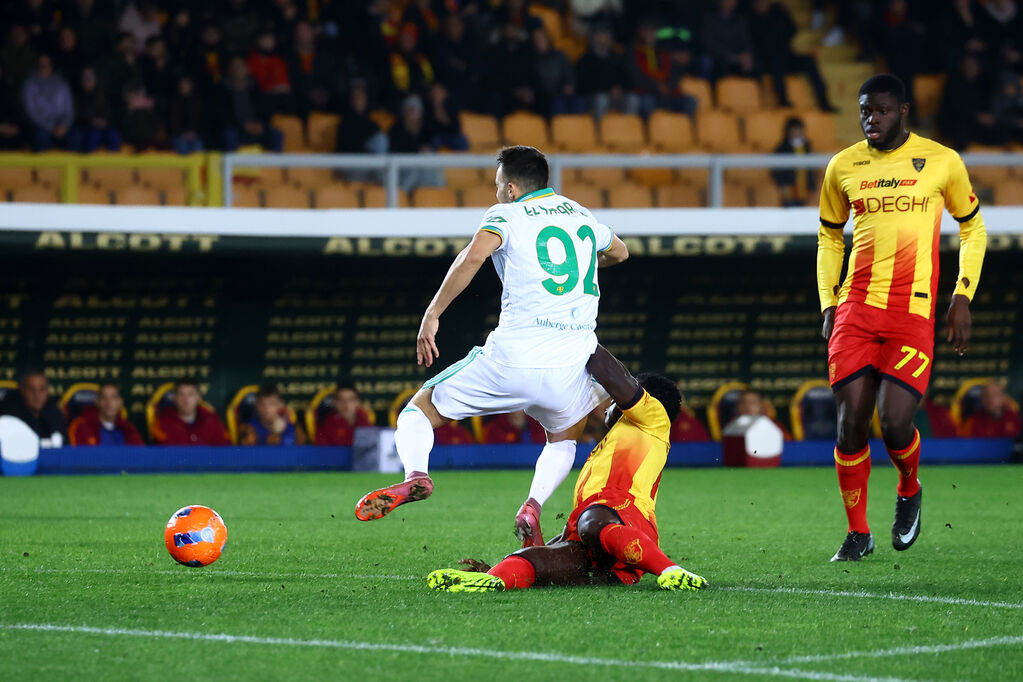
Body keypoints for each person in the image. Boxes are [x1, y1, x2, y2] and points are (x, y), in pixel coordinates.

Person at [355, 146, 629, 548]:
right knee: (564, 437)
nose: (496, 192)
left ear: (513, 189)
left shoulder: (505, 214)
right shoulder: (580, 214)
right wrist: (588, 266)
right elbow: (619, 252)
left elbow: (471, 258)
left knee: (418, 411)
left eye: (498, 185)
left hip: (513, 357)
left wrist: (432, 314)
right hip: (570, 363)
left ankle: (416, 476)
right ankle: (533, 505)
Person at [817, 74, 987, 562]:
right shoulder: (842, 166)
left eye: (882, 111)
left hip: (913, 311)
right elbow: (829, 237)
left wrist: (962, 296)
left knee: (893, 423)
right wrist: (829, 302)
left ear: (904, 111)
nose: (872, 119)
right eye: (865, 110)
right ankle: (857, 532)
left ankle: (909, 488)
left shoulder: (942, 162)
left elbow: (972, 229)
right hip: (856, 307)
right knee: (851, 421)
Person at [427, 344, 708, 593]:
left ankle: (670, 570)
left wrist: (576, 340)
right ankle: (490, 581)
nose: (608, 406)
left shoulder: (655, 418)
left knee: (592, 519)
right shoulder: (613, 442)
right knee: (536, 559)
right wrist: (525, 556)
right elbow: (575, 531)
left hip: (626, 518)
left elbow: (611, 373)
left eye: (613, 402)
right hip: (598, 537)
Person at [154, 379, 230, 446]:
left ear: (199, 397)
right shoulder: (164, 421)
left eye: (190, 394)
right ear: (174, 398)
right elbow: (163, 451)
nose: (186, 400)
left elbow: (225, 449)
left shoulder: (212, 420)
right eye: (181, 394)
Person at [21, 53, 73, 151]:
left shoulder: (61, 84)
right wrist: (51, 127)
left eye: (46, 65)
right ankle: (38, 166)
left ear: (51, 66)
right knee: (41, 137)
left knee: (75, 138)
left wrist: (64, 125)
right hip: (40, 126)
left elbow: (69, 109)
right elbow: (31, 111)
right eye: (41, 65)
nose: (43, 68)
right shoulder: (29, 84)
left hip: (61, 125)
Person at [68, 383, 143, 446]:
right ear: (97, 402)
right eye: (104, 397)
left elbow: (140, 456)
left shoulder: (129, 430)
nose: (109, 402)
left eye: (113, 397)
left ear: (120, 402)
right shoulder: (81, 427)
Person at [0, 371, 66, 441]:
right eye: (31, 389)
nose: (37, 395)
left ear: (48, 391)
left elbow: (65, 446)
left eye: (42, 389)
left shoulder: (54, 414)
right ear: (22, 391)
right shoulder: (8, 416)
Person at [239, 385, 306, 446]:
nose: (267, 408)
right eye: (262, 404)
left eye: (272, 403)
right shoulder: (248, 429)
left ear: (281, 404)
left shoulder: (296, 430)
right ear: (256, 405)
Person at [772, 117, 816, 207]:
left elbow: (811, 167)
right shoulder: (782, 148)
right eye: (794, 130)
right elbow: (776, 170)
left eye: (799, 130)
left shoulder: (807, 146)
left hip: (804, 188)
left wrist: (812, 185)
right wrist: (782, 185)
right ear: (788, 131)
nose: (797, 132)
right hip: (789, 190)